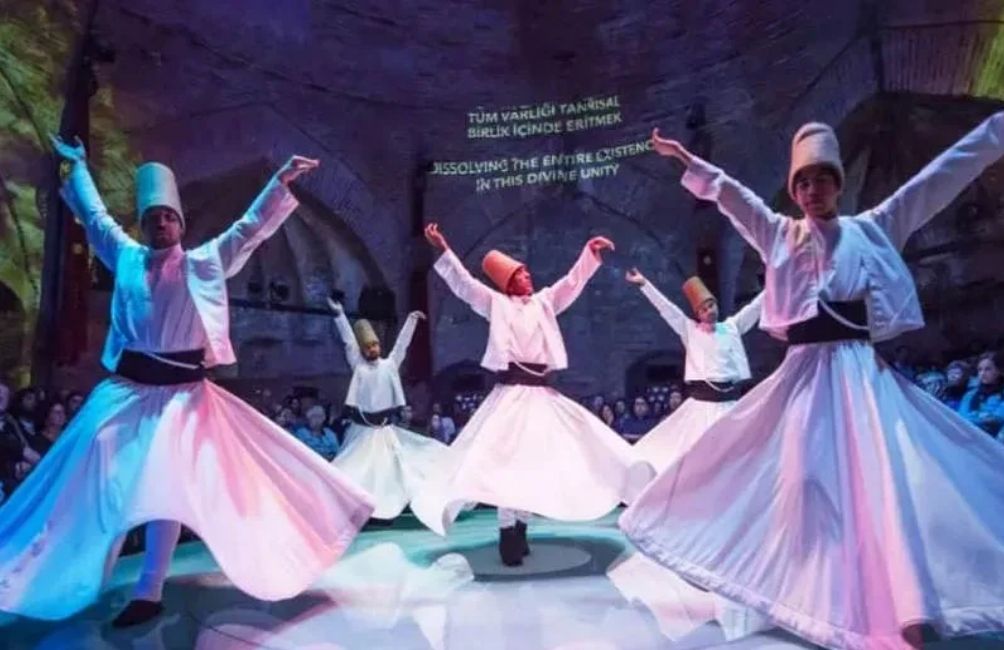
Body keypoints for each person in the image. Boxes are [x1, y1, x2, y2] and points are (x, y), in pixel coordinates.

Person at [621, 115, 1004, 648]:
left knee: (881, 482)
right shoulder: (779, 233)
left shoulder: (872, 228)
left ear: (837, 184)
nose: (811, 190)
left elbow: (936, 180)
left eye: (821, 178)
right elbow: (732, 196)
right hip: (804, 379)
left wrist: (995, 132)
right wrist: (685, 160)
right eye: (802, 181)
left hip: (860, 377)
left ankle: (905, 603)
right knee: (802, 483)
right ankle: (812, 596)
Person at [0, 136, 373, 626]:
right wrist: (80, 169)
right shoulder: (126, 257)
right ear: (143, 225)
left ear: (180, 224)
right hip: (128, 393)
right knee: (96, 474)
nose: (160, 224)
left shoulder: (204, 263)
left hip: (184, 399)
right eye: (152, 218)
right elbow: (95, 219)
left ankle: (149, 589)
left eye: (167, 217)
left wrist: (279, 182)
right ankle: (72, 570)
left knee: (166, 489)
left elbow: (248, 230)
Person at [412, 223, 653, 566]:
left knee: (533, 461)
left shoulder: (543, 302)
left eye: (527, 272)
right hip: (511, 394)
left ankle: (521, 529)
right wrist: (443, 248)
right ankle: (507, 534)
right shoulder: (496, 303)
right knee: (506, 463)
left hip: (540, 395)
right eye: (521, 274)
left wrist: (589, 254)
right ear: (509, 282)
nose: (528, 277)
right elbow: (465, 285)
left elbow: (570, 284)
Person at [626, 268, 762, 472]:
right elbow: (667, 308)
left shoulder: (732, 327)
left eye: (711, 305)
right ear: (698, 314)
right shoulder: (690, 330)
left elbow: (755, 307)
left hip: (731, 403)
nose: (710, 311)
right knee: (699, 458)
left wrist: (775, 283)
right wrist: (644, 284)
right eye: (704, 309)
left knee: (736, 456)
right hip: (702, 406)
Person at [327, 299, 449, 519]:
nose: (372, 349)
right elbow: (348, 341)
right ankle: (361, 510)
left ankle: (389, 508)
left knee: (394, 470)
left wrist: (411, 321)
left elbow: (401, 346)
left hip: (384, 430)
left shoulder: (389, 365)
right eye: (368, 347)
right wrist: (339, 315)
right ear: (363, 350)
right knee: (356, 469)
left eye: (374, 345)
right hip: (363, 430)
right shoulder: (359, 366)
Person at [958, 351, 1004, 437]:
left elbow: (998, 418)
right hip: (969, 437)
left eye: (988, 369)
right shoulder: (970, 394)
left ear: (998, 370)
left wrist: (975, 418)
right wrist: (982, 418)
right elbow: (961, 418)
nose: (982, 373)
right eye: (980, 370)